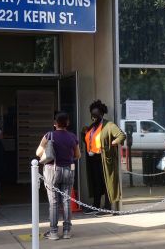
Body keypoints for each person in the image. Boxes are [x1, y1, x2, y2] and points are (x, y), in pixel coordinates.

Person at [36, 112, 81, 240]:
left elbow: (38, 152)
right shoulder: (72, 136)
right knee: (66, 201)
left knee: (54, 202)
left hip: (52, 170)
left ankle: (53, 232)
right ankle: (67, 231)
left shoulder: (49, 135)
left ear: (55, 123)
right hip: (68, 170)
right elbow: (78, 155)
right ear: (67, 123)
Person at [82, 100, 125, 215]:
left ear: (101, 114)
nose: (93, 116)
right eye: (92, 114)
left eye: (96, 114)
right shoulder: (92, 127)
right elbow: (88, 140)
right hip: (93, 159)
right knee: (96, 183)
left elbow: (121, 136)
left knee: (107, 183)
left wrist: (112, 144)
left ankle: (107, 208)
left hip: (104, 160)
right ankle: (96, 206)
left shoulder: (109, 125)